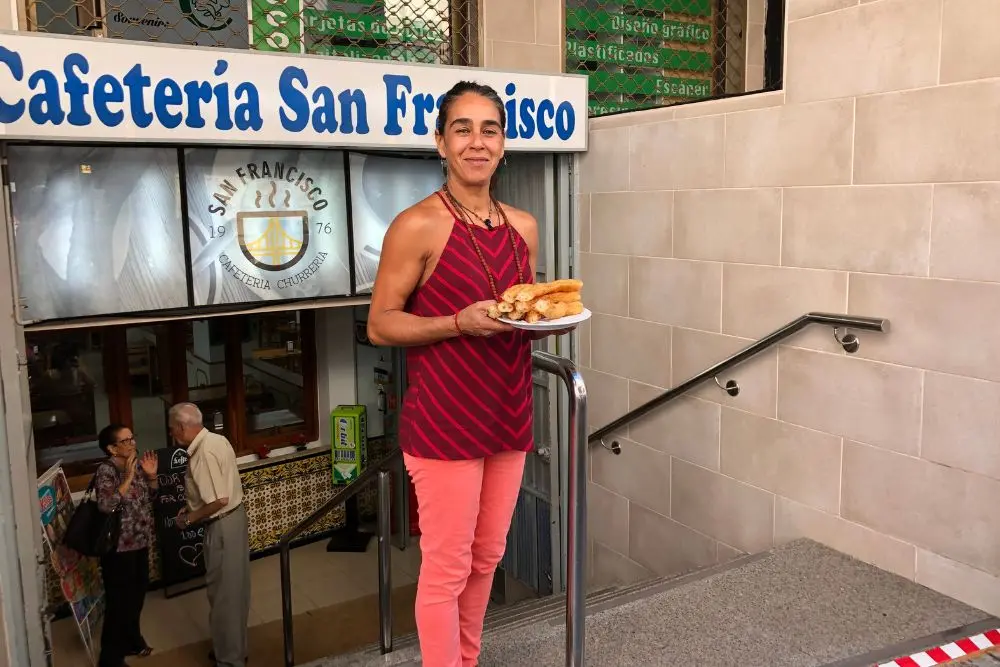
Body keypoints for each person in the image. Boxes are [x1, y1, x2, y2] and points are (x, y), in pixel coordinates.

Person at [366, 80, 574, 667]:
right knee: (448, 568)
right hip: (443, 422)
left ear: (504, 145)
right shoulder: (417, 225)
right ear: (440, 143)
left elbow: (519, 308)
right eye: (463, 129)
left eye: (490, 130)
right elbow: (381, 325)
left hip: (508, 414)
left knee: (487, 558)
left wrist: (543, 324)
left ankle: (466, 659)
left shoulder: (523, 227)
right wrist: (456, 322)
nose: (476, 142)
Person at [168, 402, 249, 667]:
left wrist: (187, 519)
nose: (172, 435)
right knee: (236, 591)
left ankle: (229, 660)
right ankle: (235, 649)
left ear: (181, 426)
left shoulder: (202, 453)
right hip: (236, 520)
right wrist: (192, 506)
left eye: (172, 429)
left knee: (223, 597)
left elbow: (218, 500)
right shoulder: (217, 439)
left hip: (222, 525)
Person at [93, 424, 158, 667]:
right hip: (118, 548)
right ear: (112, 448)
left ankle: (132, 640)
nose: (132, 444)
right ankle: (110, 659)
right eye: (126, 440)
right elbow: (106, 504)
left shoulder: (137, 465)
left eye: (133, 438)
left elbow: (149, 498)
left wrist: (151, 477)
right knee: (119, 603)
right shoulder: (106, 471)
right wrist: (128, 477)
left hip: (139, 542)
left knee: (137, 595)